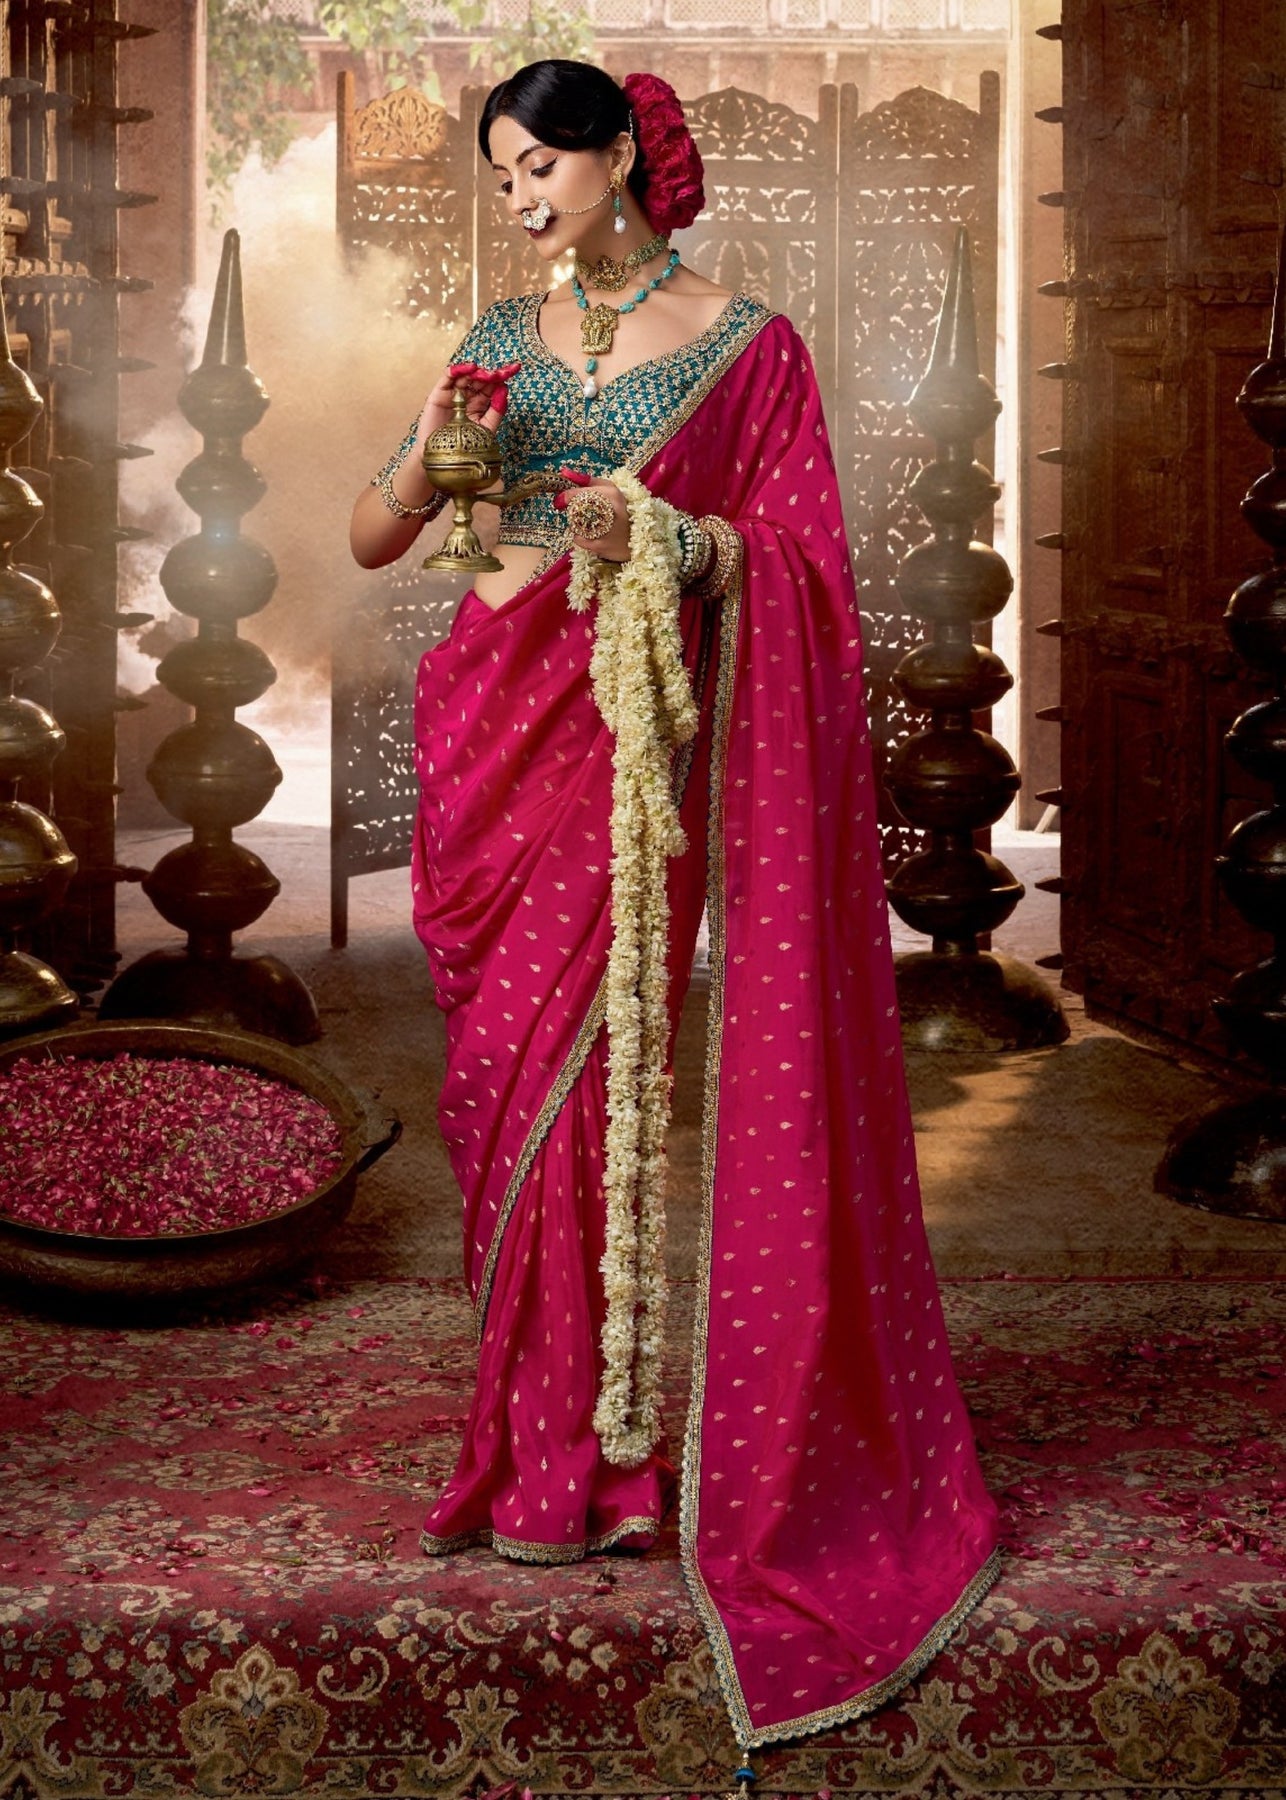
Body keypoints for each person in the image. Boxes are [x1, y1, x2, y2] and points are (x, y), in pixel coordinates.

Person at [349, 58, 1000, 1753]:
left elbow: (802, 560)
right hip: (485, 723)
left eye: (542, 165)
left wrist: (674, 540)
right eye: (502, 175)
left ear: (623, 154)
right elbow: (375, 538)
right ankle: (527, 1443)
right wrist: (433, 465)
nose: (521, 198)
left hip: (626, 740)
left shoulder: (747, 344)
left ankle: (593, 1464)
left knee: (594, 1079)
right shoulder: (496, 340)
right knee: (498, 1094)